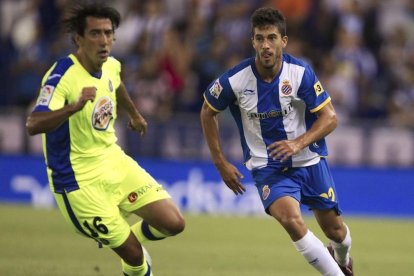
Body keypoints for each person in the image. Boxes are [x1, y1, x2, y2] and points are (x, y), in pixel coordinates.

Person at [25, 3, 185, 276]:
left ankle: (124, 237)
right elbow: (33, 124)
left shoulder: (111, 64)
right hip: (78, 180)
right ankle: (129, 249)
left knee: (174, 223)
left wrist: (134, 114)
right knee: (134, 257)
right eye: (95, 33)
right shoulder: (62, 74)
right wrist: (72, 108)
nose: (104, 41)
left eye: (108, 33)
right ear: (78, 38)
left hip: (113, 161)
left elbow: (117, 83)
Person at [200, 7, 353, 276]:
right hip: (267, 167)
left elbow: (330, 118)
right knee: (291, 220)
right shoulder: (235, 79)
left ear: (283, 41)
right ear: (253, 42)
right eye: (259, 39)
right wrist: (220, 162)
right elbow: (207, 110)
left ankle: (342, 258)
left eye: (271, 38)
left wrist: (298, 143)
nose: (265, 45)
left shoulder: (300, 73)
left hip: (309, 161)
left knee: (337, 233)